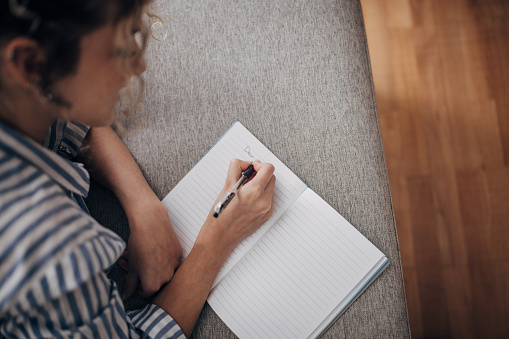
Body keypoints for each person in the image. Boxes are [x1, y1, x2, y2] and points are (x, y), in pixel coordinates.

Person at [0, 0, 276, 337]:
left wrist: (142, 203)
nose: (139, 63)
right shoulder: (52, 251)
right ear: (30, 63)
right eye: (118, 47)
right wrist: (219, 237)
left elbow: (66, 121)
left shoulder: (16, 95)